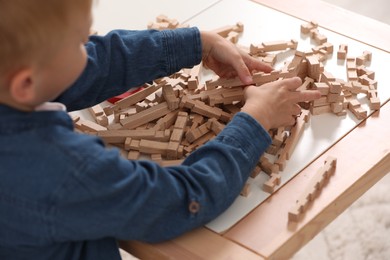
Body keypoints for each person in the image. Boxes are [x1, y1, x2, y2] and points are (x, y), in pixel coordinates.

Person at [0, 0, 321, 259]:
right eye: (81, 42)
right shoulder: (65, 174)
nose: (89, 47)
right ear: (26, 83)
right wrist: (256, 119)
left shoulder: (12, 83)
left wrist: (195, 44)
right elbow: (181, 200)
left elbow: (95, 63)